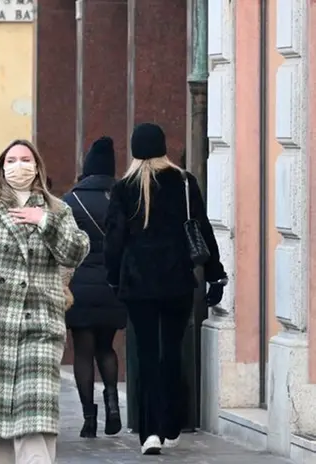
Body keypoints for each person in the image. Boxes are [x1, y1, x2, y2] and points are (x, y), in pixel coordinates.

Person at [0, 139, 90, 463]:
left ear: (37, 166)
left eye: (25, 159)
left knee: (36, 414)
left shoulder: (56, 208)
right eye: (12, 159)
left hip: (39, 323)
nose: (18, 166)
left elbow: (76, 252)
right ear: (1, 165)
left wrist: (44, 222)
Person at [104, 123, 227, 455]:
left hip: (137, 283)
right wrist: (215, 274)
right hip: (176, 281)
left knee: (146, 355)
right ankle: (172, 423)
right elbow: (201, 228)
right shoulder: (185, 183)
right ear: (163, 148)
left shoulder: (123, 188)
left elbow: (113, 240)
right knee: (171, 352)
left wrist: (113, 277)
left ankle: (149, 433)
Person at [61, 136, 127, 438]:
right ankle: (113, 403)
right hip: (114, 285)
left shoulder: (69, 201)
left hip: (79, 288)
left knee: (83, 352)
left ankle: (89, 418)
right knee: (106, 347)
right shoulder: (122, 197)